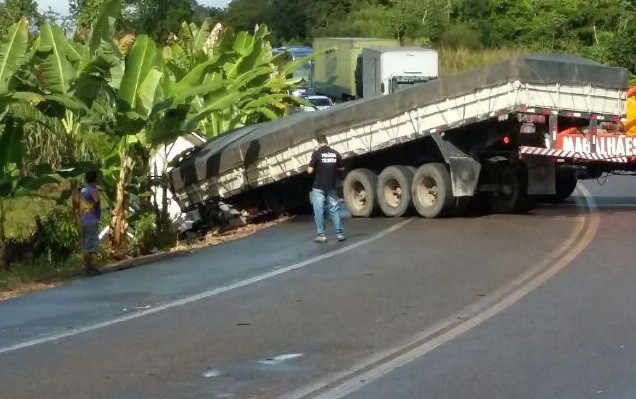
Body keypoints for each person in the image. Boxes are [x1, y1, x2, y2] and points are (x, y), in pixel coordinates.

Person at [307, 134, 345, 243]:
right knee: (334, 209)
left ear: (318, 142)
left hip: (319, 186)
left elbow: (309, 170)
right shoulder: (335, 153)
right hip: (331, 186)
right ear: (326, 141)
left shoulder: (316, 153)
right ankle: (339, 233)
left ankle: (322, 235)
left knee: (319, 211)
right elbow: (342, 167)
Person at [80, 170, 102, 276]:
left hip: (84, 219)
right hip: (91, 219)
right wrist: (94, 207)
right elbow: (96, 200)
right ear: (95, 179)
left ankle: (89, 266)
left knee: (87, 243)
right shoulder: (93, 190)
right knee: (90, 245)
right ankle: (87, 268)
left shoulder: (84, 190)